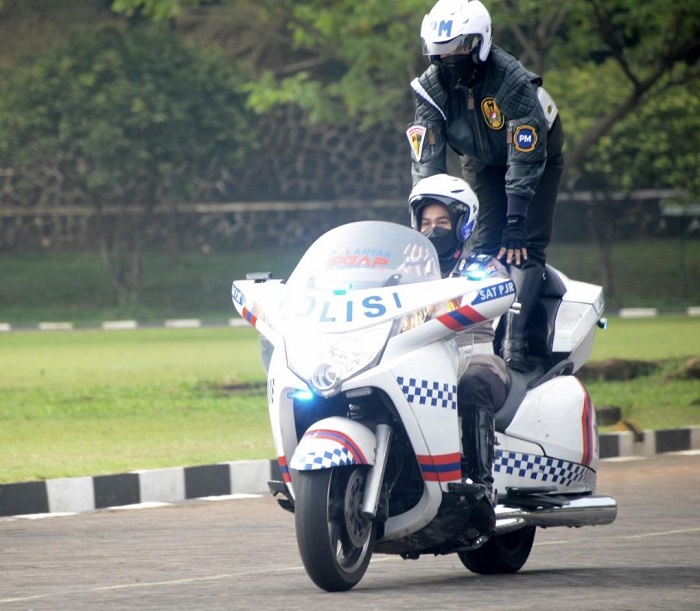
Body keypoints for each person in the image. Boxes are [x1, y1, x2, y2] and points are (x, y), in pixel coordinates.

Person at [406, 0, 565, 372]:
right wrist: (428, 213)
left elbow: (525, 153)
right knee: (483, 245)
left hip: (536, 158)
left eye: (458, 48)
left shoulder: (511, 79)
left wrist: (516, 221)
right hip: (480, 159)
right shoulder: (431, 86)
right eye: (439, 51)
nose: (448, 58)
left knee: (520, 247)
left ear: (480, 41)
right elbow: (427, 155)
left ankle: (515, 341)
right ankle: (473, 339)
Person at [409, 173, 508, 520]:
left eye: (442, 221)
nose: (432, 229)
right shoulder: (406, 273)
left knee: (473, 384)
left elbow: (502, 288)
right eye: (426, 222)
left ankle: (481, 487)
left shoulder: (480, 267)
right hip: (417, 359)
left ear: (462, 224)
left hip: (475, 358)